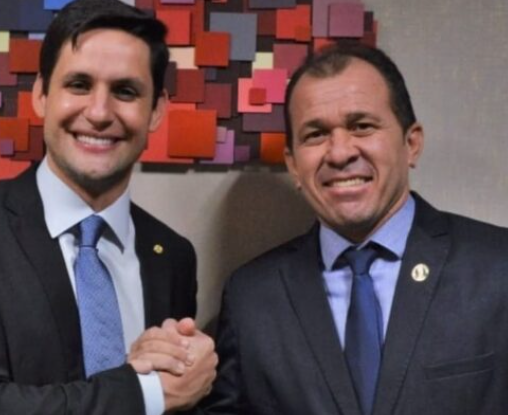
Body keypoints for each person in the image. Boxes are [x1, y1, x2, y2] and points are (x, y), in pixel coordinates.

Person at [0, 0, 216, 415]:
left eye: (125, 91)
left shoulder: (172, 255)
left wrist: (189, 374)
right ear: (41, 94)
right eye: (79, 85)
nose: (99, 113)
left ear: (156, 110)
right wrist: (146, 393)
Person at [202, 42, 508, 415]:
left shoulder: (498, 267)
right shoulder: (251, 297)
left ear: (411, 144)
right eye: (315, 134)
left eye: (362, 126)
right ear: (294, 164)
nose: (340, 152)